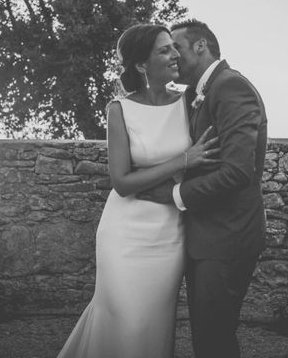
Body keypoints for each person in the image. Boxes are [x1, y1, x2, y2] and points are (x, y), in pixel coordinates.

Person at [56, 23, 220, 358]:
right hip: (124, 233)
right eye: (164, 50)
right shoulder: (120, 109)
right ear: (141, 64)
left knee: (154, 324)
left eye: (175, 47)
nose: (175, 54)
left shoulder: (190, 102)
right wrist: (182, 160)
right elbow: (122, 182)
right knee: (127, 322)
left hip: (169, 234)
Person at [138, 19, 267, 358]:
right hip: (206, 238)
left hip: (227, 237)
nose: (174, 58)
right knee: (208, 338)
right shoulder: (198, 94)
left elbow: (238, 172)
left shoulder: (231, 87)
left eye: (176, 48)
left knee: (214, 341)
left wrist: (174, 196)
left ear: (200, 47)